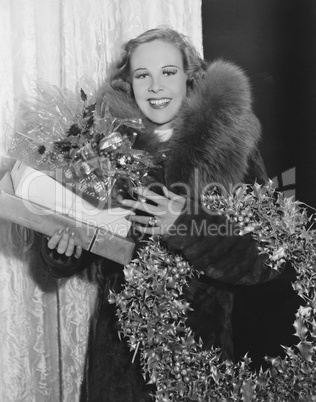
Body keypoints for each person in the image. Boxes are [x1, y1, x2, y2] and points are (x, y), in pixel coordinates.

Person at [41, 27, 282, 401]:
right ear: (128, 82)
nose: (155, 87)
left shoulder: (231, 150)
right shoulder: (104, 148)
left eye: (168, 72)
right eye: (143, 75)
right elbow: (87, 239)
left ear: (189, 76)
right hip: (118, 363)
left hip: (199, 364)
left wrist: (186, 225)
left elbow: (267, 257)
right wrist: (62, 250)